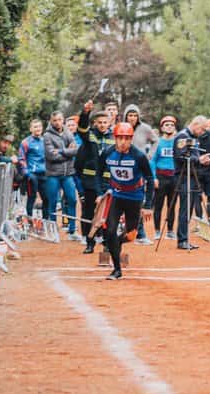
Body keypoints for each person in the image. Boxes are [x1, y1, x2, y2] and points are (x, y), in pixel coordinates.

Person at [100, 123, 155, 279]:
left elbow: (150, 179)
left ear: (131, 140)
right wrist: (100, 193)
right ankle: (117, 269)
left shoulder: (138, 156)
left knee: (131, 236)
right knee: (109, 231)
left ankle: (114, 244)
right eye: (120, 138)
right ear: (115, 139)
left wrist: (148, 205)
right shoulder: (107, 154)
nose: (123, 142)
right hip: (116, 196)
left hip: (134, 198)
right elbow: (98, 173)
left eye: (127, 138)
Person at [74, 102, 113, 254]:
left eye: (105, 122)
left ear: (109, 123)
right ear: (95, 123)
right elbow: (82, 128)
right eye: (100, 122)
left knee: (108, 214)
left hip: (108, 182)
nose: (102, 125)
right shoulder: (89, 136)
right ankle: (89, 242)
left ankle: (106, 242)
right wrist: (85, 113)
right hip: (90, 182)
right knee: (89, 212)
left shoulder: (114, 137)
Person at [173, 115, 210, 250]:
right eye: (202, 129)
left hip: (193, 174)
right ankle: (182, 239)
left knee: (189, 208)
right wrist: (199, 160)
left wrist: (201, 160)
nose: (202, 132)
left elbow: (192, 155)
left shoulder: (194, 138)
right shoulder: (182, 136)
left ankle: (184, 238)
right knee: (185, 209)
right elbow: (181, 157)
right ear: (195, 124)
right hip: (184, 176)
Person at [43, 111, 79, 238]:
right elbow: (51, 155)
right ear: (51, 121)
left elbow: (75, 150)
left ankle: (72, 229)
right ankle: (53, 230)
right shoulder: (47, 136)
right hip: (53, 174)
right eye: (55, 120)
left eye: (59, 119)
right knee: (52, 202)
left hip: (68, 173)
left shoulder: (68, 133)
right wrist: (67, 153)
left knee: (72, 200)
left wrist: (61, 151)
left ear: (63, 120)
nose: (58, 122)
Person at [151, 116, 179, 240]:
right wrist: (154, 178)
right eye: (167, 125)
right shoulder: (157, 143)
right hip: (160, 177)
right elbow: (152, 161)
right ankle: (157, 230)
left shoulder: (177, 143)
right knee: (158, 205)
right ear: (162, 127)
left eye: (172, 125)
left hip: (174, 177)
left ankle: (170, 230)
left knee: (171, 205)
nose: (169, 127)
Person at [20, 119, 47, 218]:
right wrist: (27, 173)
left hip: (44, 174)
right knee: (32, 197)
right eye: (35, 127)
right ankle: (29, 219)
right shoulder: (26, 142)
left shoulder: (45, 141)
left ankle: (45, 220)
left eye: (39, 126)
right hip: (32, 175)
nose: (38, 129)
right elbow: (21, 158)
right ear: (31, 129)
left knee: (46, 198)